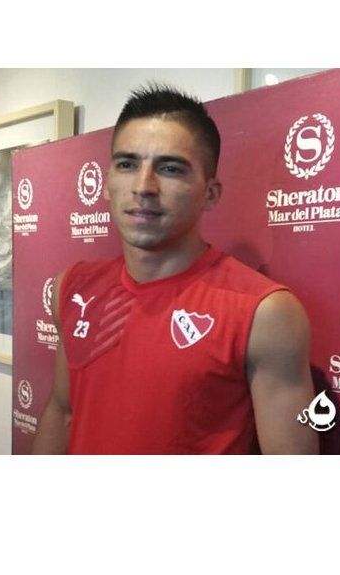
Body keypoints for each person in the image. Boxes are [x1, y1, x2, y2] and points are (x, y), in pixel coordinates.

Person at [32, 85, 318, 454]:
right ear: (106, 183)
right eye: (127, 164)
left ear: (210, 194)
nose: (143, 186)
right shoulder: (73, 287)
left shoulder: (264, 313)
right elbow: (62, 412)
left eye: (169, 168)